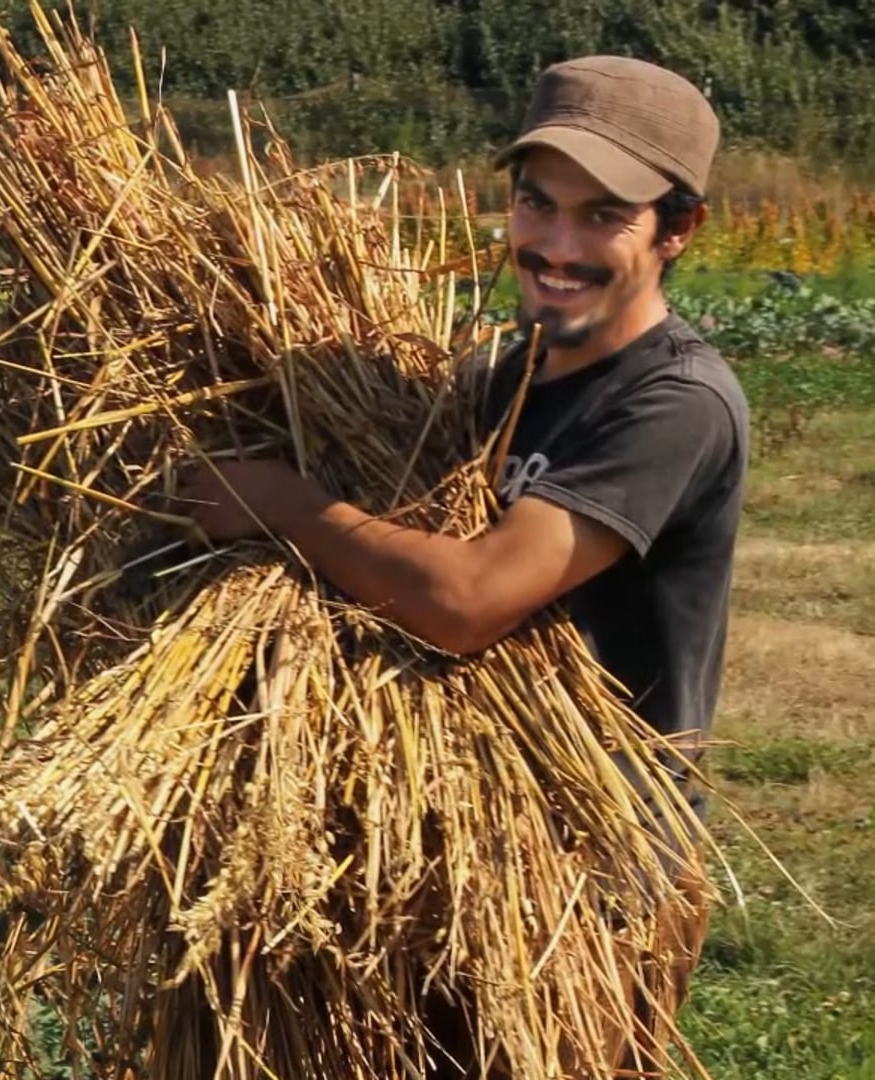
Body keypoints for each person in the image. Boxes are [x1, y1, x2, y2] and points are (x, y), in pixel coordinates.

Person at [172, 55, 749, 1076]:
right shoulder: (494, 381)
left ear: (679, 229)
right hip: (430, 853)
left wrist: (279, 503)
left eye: (604, 216)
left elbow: (466, 600)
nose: (556, 246)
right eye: (537, 204)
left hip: (580, 883)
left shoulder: (673, 404)